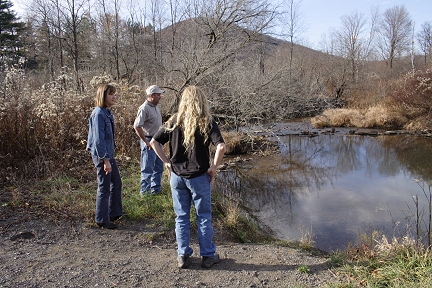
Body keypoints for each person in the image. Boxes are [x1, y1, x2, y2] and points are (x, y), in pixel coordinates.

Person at [150, 85, 226, 269]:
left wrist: (167, 162)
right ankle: (208, 256)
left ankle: (183, 255)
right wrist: (213, 168)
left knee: (182, 217)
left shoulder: (173, 121)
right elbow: (221, 147)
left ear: (183, 101)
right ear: (201, 101)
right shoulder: (206, 122)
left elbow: (154, 142)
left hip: (177, 177)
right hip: (199, 177)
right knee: (204, 217)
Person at [86, 84, 124, 229]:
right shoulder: (98, 114)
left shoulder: (107, 112)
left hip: (108, 154)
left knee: (117, 182)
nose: (114, 97)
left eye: (114, 94)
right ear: (103, 96)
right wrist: (106, 160)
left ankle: (113, 213)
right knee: (105, 186)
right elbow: (98, 140)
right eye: (111, 94)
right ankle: (102, 219)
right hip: (101, 155)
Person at [133, 85, 165, 195]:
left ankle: (156, 190)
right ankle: (145, 193)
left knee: (159, 167)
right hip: (149, 140)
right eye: (158, 95)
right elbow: (137, 126)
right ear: (151, 95)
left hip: (158, 140)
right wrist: (146, 142)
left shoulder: (155, 106)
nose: (160, 97)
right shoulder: (144, 108)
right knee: (147, 169)